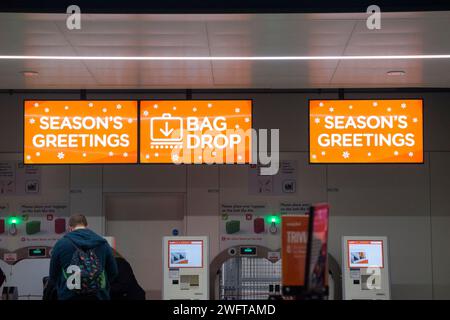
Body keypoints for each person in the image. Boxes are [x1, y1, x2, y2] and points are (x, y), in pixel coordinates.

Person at [49, 214, 118, 300]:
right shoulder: (102, 243)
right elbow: (113, 272)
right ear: (87, 226)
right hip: (98, 296)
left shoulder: (61, 244)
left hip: (69, 295)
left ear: (70, 228)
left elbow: (53, 275)